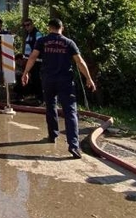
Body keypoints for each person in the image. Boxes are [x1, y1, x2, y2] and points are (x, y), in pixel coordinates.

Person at [21, 18, 96, 159]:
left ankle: (52, 135)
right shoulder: (68, 42)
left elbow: (32, 58)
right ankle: (73, 146)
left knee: (50, 107)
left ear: (49, 28)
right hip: (65, 82)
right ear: (62, 28)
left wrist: (25, 73)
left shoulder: (42, 41)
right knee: (70, 112)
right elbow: (79, 62)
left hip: (48, 80)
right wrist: (88, 78)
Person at [16, 18, 44, 103]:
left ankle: (40, 98)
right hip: (30, 61)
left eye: (28, 25)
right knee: (33, 80)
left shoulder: (37, 34)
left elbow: (40, 47)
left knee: (37, 79)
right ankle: (36, 96)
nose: (26, 27)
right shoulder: (29, 35)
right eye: (25, 25)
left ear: (32, 24)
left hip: (37, 61)